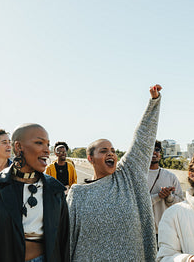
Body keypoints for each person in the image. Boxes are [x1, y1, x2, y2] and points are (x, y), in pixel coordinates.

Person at [67, 84, 162, 261]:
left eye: (112, 150)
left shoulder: (127, 177)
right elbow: (67, 239)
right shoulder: (78, 194)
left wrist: (153, 103)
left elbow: (142, 140)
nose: (110, 153)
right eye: (103, 151)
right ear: (90, 158)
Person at [0, 123, 69, 262]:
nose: (46, 151)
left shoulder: (55, 190)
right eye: (39, 143)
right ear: (18, 147)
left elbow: (64, 242)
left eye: (47, 145)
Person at [148, 140, 183, 239]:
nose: (154, 152)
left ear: (160, 154)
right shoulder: (138, 177)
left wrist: (169, 197)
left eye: (157, 150)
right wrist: (158, 196)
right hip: (143, 233)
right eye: (151, 149)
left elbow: (181, 204)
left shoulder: (170, 176)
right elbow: (135, 204)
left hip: (167, 232)